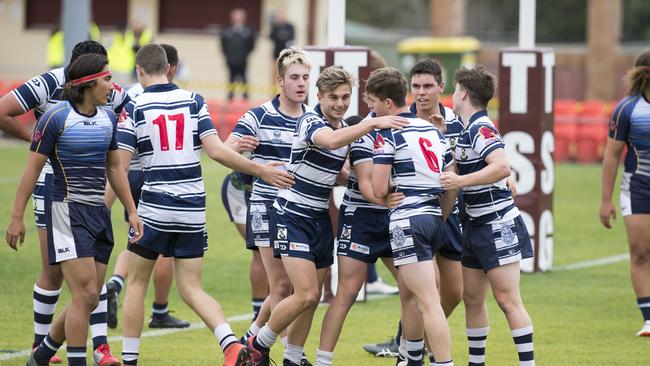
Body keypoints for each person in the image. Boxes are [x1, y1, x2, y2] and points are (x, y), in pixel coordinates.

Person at [116, 44, 293, 366]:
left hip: (155, 204)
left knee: (137, 283)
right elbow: (217, 151)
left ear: (140, 71)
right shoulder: (194, 100)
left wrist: (129, 208)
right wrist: (260, 169)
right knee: (191, 287)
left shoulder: (135, 105)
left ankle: (129, 360)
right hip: (193, 206)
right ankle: (230, 344)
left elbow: (121, 166)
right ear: (170, 68)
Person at [244, 66, 407, 366]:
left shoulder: (344, 126)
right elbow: (330, 142)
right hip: (292, 215)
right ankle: (256, 346)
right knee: (304, 294)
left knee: (314, 296)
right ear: (319, 96)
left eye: (346, 97)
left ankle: (293, 357)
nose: (341, 103)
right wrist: (373, 123)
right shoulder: (311, 121)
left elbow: (341, 174)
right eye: (333, 97)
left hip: (319, 218)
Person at [5, 53, 143, 366]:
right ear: (87, 83)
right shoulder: (56, 118)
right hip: (66, 213)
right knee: (84, 294)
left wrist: (131, 210)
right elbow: (31, 171)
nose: (111, 84)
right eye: (106, 79)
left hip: (98, 214)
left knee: (91, 294)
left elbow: (114, 168)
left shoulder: (109, 118)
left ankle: (42, 354)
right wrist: (16, 217)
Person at [363, 59, 466, 363]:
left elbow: (380, 188)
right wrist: (441, 215)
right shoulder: (435, 132)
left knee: (429, 301)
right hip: (435, 217)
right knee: (419, 298)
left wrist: (386, 194)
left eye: (373, 104)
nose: (372, 112)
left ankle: (440, 362)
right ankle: (409, 358)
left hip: (409, 219)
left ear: (388, 102)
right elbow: (451, 183)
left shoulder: (389, 134)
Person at [441, 66, 535, 366]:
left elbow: (502, 166)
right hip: (474, 225)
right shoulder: (466, 128)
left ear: (464, 94)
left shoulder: (481, 128)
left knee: (507, 300)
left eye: (455, 90)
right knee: (472, 299)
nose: (452, 95)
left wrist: (460, 182)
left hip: (497, 224)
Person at [224, 47, 310, 350]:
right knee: (283, 286)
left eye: (305, 78)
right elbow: (222, 150)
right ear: (280, 81)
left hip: (300, 211)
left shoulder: (312, 119)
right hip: (266, 208)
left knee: (292, 288)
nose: (301, 83)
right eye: (295, 77)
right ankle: (283, 353)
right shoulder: (259, 115)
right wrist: (246, 156)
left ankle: (250, 342)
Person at [314, 85, 407, 364]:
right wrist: (383, 201)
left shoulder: (406, 129)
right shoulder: (363, 130)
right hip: (361, 219)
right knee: (347, 293)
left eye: (371, 99)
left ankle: (408, 355)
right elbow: (367, 184)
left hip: (392, 218)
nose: (368, 103)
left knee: (415, 289)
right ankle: (322, 360)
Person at [104, 44, 190, 330]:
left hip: (128, 176)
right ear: (169, 68)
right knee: (164, 248)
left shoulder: (128, 93)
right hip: (156, 176)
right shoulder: (178, 97)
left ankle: (115, 282)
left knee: (136, 238)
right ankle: (160, 310)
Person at [600, 50, 650, 337]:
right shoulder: (627, 109)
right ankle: (648, 319)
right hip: (638, 188)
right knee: (641, 253)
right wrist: (606, 200)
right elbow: (611, 156)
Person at [220, 168, 270, 322]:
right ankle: (259, 312)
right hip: (241, 189)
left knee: (273, 252)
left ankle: (273, 305)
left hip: (271, 190)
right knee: (260, 251)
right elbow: (227, 150)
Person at [221, 8, 255, 100]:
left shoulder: (248, 31)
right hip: (231, 60)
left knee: (244, 79)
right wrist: (228, 56)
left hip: (243, 60)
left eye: (240, 16)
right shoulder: (227, 31)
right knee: (231, 79)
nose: (238, 18)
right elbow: (223, 45)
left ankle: (245, 98)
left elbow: (252, 45)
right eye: (236, 16)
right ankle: (230, 98)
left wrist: (245, 54)